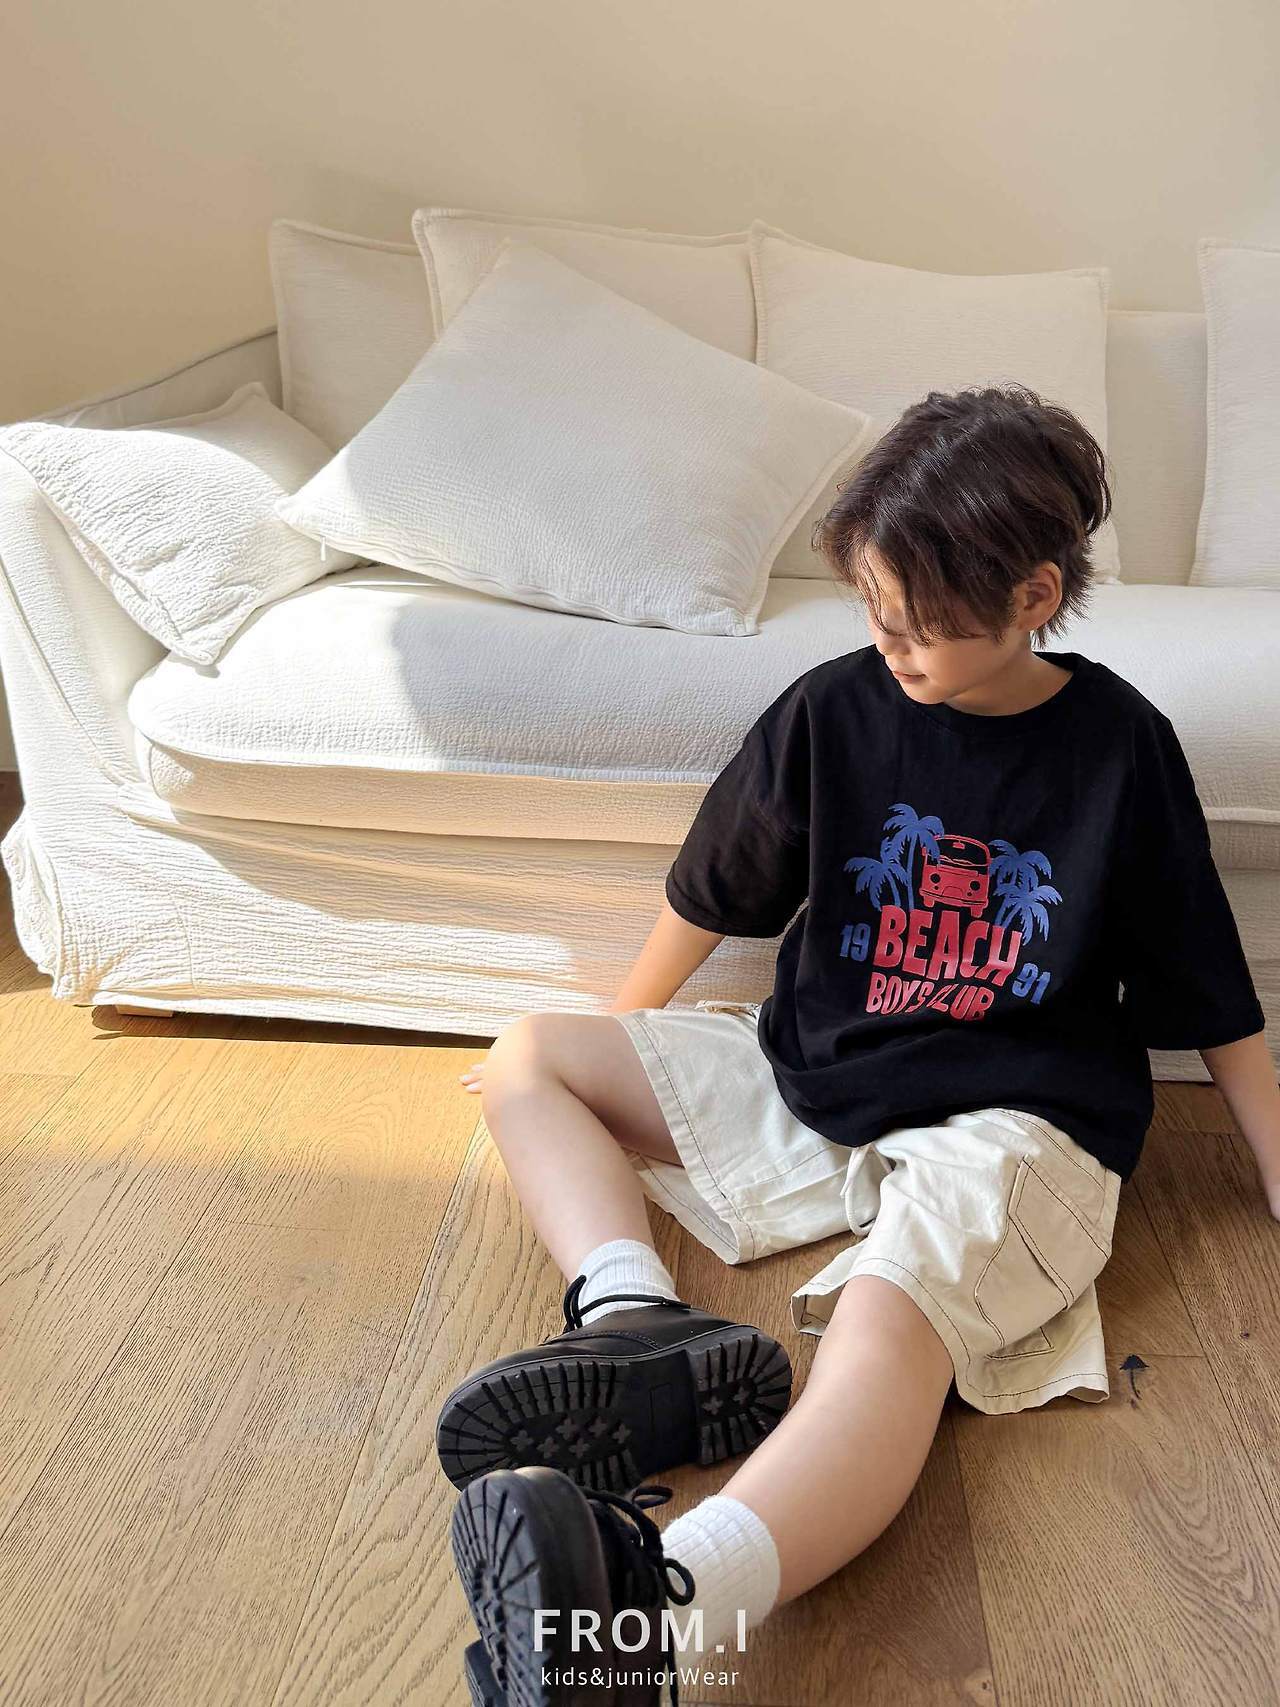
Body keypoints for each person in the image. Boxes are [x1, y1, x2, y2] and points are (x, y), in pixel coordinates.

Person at [438, 384, 1280, 1707]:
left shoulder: (1121, 749)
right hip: (818, 1077)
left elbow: (1206, 983)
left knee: (886, 1332)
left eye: (915, 626)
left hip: (1017, 1126)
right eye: (872, 613)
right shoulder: (834, 709)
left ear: (1033, 596)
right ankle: (636, 1329)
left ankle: (655, 1613)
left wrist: (1273, 1156)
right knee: (532, 1057)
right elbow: (714, 890)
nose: (886, 645)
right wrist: (623, 1035)